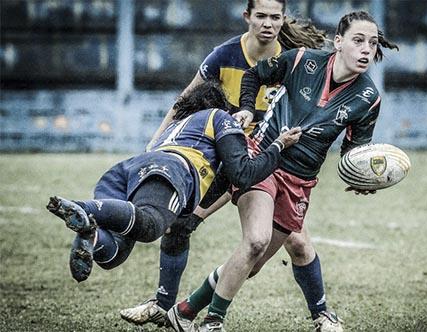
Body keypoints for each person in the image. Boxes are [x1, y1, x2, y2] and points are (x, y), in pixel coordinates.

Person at [165, 10, 399, 332]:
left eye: (372, 44)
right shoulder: (303, 60)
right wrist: (247, 107)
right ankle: (212, 323)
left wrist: (363, 177)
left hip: (300, 182)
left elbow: (353, 152)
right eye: (358, 40)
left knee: (254, 263)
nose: (366, 49)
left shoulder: (368, 98)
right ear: (338, 42)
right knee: (256, 241)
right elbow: (253, 76)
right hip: (263, 158)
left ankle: (185, 310)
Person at [120, 1, 343, 331]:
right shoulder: (224, 56)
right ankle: (163, 307)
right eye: (261, 16)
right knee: (180, 225)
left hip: (270, 165)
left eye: (274, 17)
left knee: (292, 243)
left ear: (283, 19)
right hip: (225, 162)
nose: (267, 23)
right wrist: (153, 147)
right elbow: (184, 102)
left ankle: (322, 314)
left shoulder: (296, 58)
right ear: (247, 17)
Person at [46, 80, 301, 286]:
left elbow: (217, 183)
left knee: (114, 253)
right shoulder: (219, 117)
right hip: (171, 168)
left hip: (127, 171)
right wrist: (278, 145)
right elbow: (242, 173)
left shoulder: (176, 126)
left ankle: (90, 235)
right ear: (221, 106)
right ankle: (83, 208)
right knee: (151, 225)